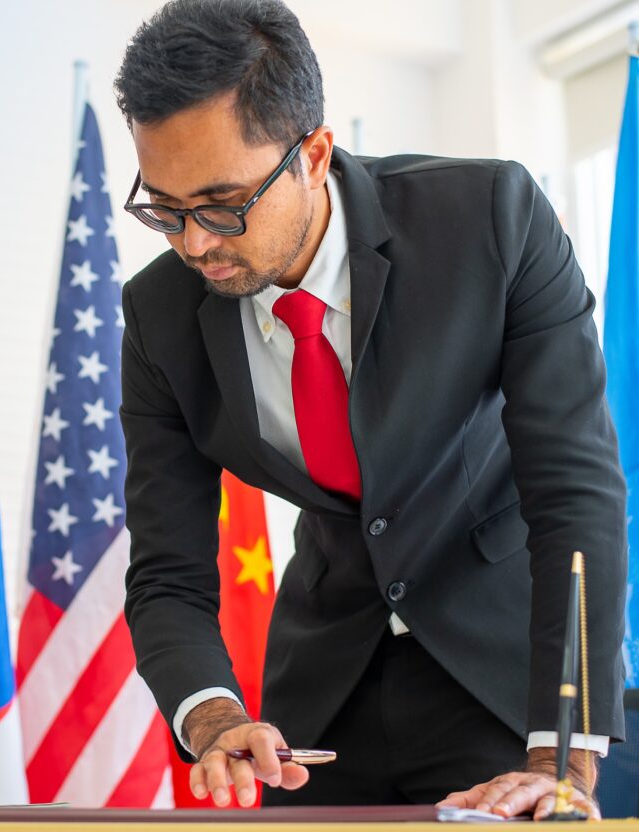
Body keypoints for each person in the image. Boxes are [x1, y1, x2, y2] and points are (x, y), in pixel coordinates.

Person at [113, 0, 627, 818]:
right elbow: (169, 572)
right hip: (319, 704)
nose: (195, 245)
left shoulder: (492, 219)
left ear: (313, 155)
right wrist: (214, 720)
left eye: (222, 203)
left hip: (508, 688)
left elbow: (575, 491)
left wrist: (562, 752)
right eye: (164, 209)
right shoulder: (160, 317)